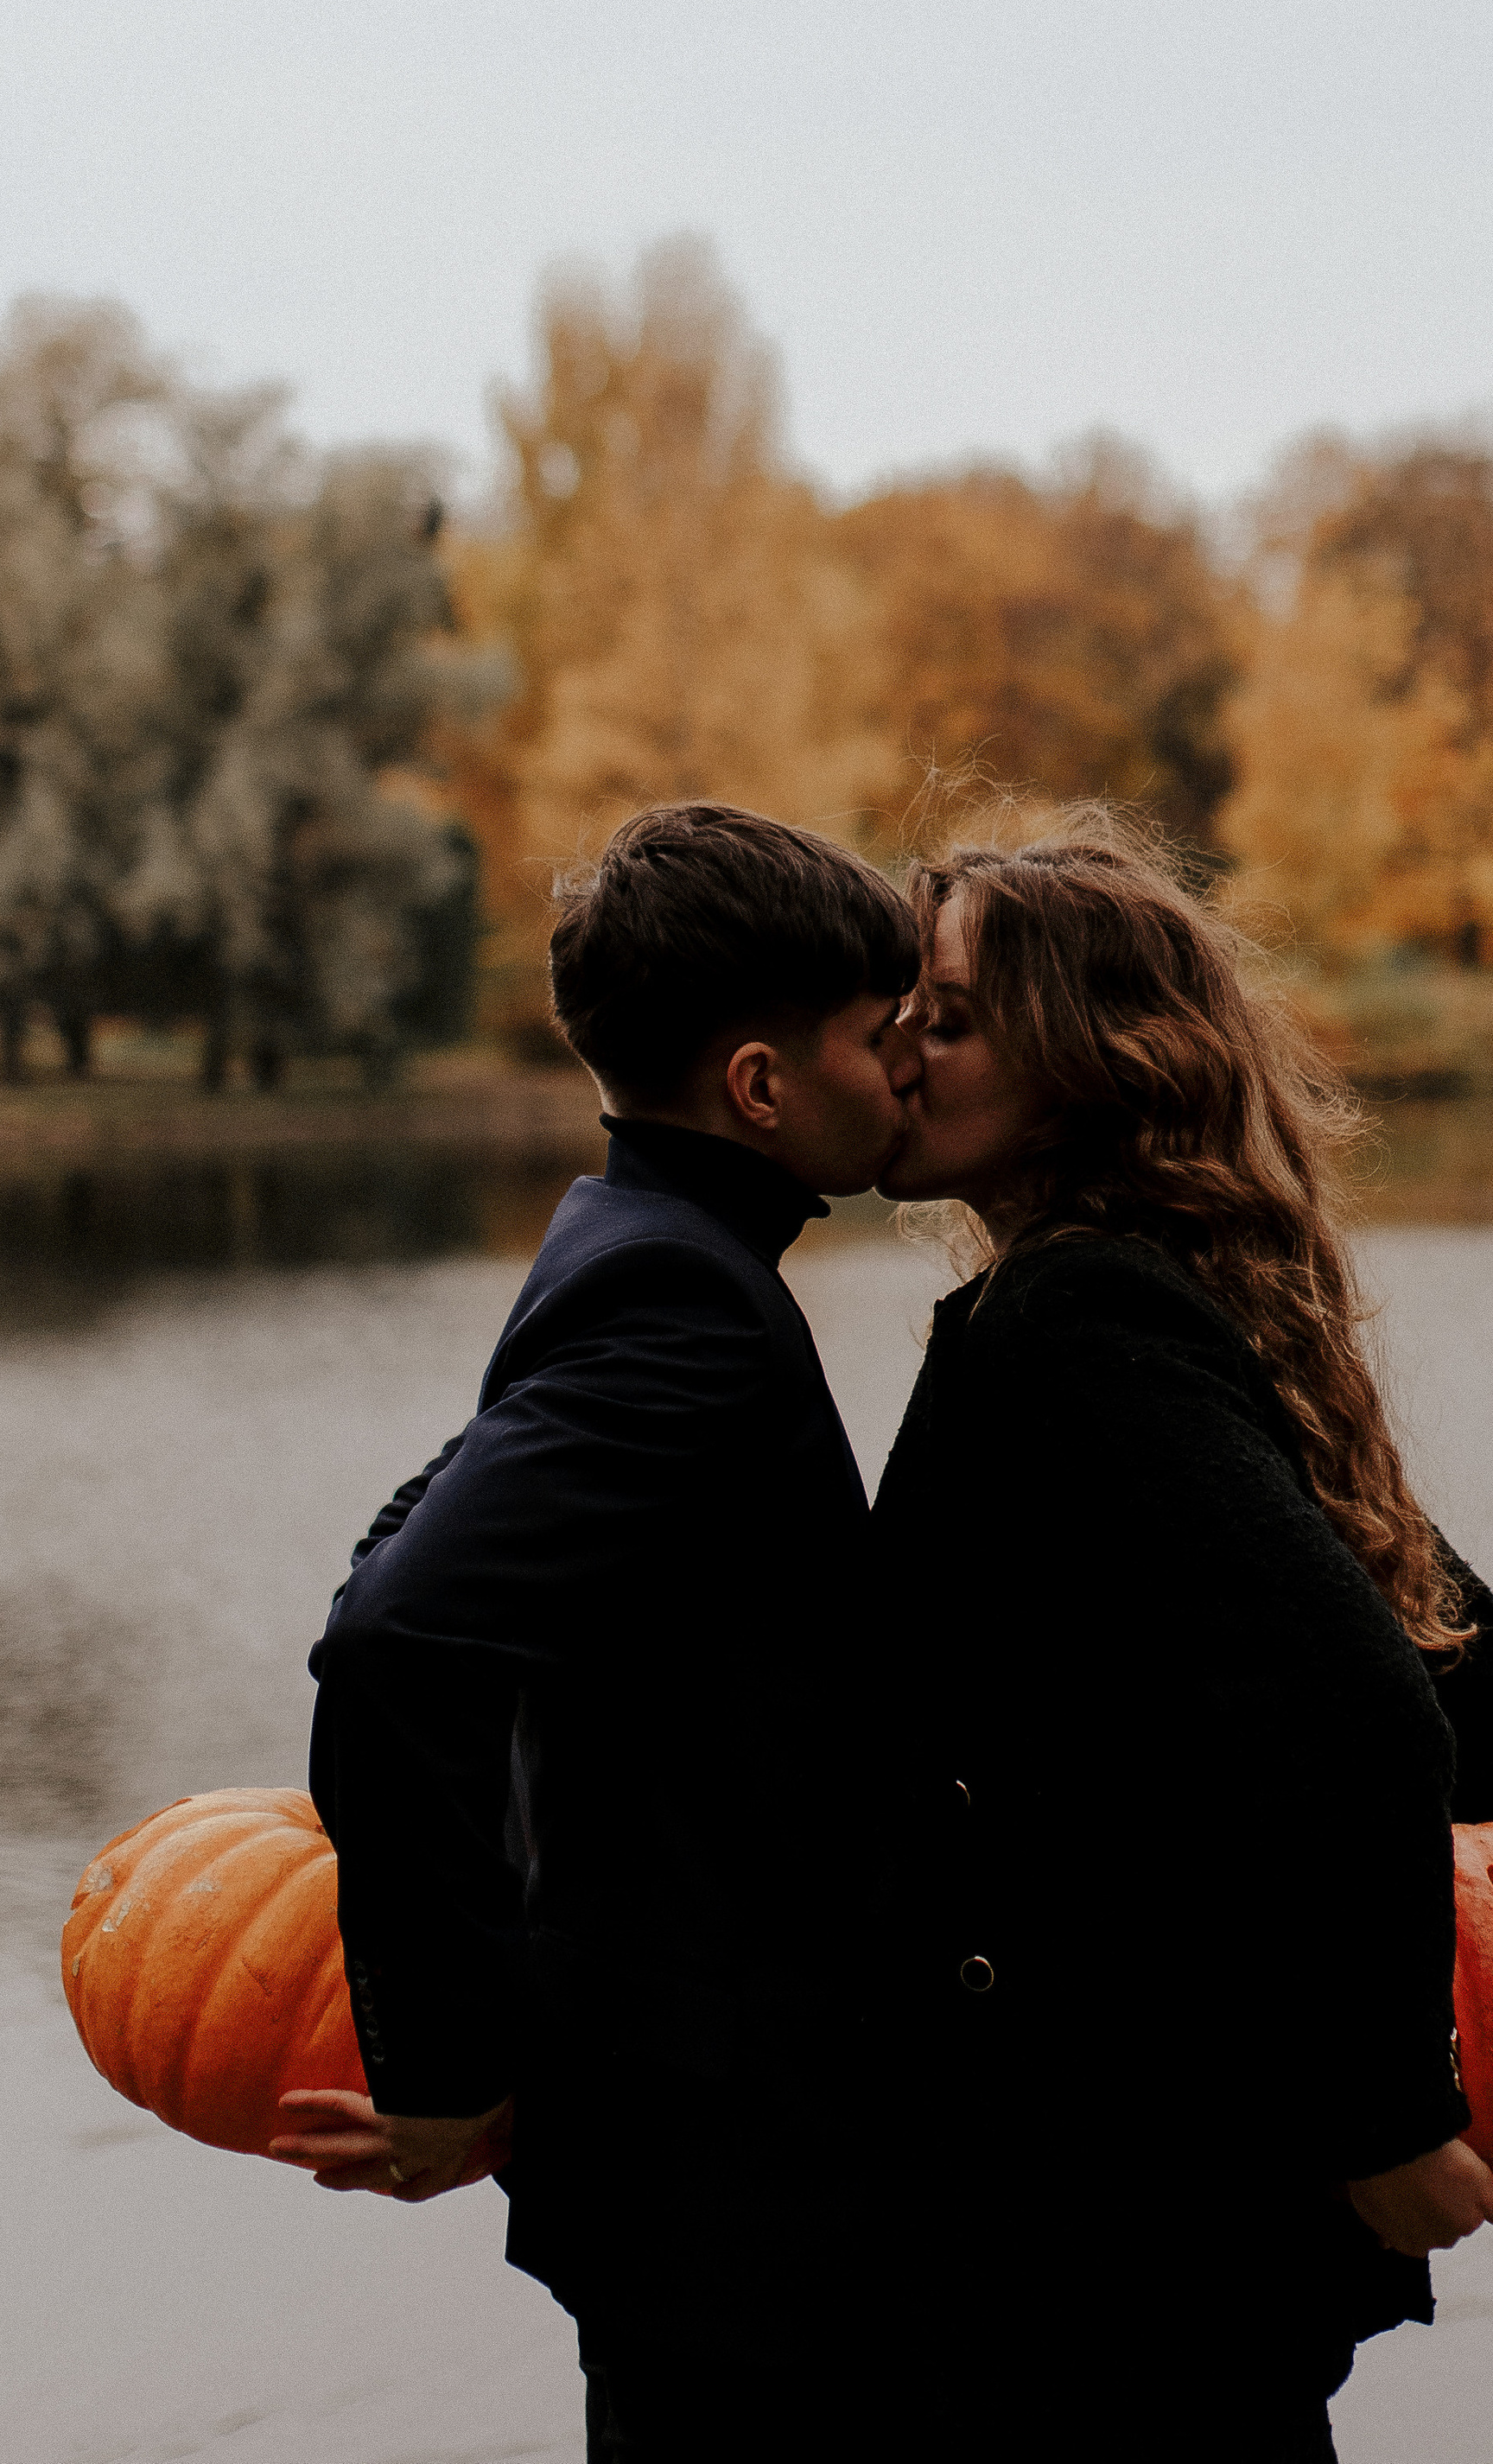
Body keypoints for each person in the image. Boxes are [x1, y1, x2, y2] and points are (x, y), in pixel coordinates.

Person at [867, 818, 1493, 2461]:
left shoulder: (1075, 1323)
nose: (901, 1052)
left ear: (1087, 1065)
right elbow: (1475, 1669)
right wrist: (1457, 1991)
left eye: (950, 1019)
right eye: (904, 1014)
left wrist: (1387, 2112)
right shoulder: (1184, 1294)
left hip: (1123, 2238)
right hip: (1194, 2216)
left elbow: (1371, 1700)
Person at [270, 802, 923, 2462]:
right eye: (879, 1034)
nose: (907, 1066)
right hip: (729, 2187)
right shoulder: (686, 1302)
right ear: (761, 1085)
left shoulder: (633, 1244)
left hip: (694, 2170)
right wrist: (445, 2063)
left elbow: (404, 1555)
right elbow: (400, 1643)